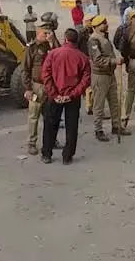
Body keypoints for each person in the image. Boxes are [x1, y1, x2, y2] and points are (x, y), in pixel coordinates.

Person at [40, 29, 91, 165]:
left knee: (50, 124)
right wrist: (72, 95)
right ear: (77, 40)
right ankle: (67, 156)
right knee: (71, 126)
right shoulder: (82, 58)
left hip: (55, 96)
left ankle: (47, 154)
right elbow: (85, 80)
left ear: (65, 39)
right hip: (72, 98)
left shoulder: (53, 54)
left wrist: (54, 94)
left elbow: (45, 74)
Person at [88, 15, 130, 141]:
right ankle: (98, 129)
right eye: (103, 23)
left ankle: (116, 126)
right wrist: (114, 61)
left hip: (110, 74)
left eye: (105, 22)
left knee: (114, 102)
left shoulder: (104, 38)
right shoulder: (94, 40)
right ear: (96, 26)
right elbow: (98, 59)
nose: (106, 25)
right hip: (100, 76)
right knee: (99, 105)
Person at [22, 25, 62, 155]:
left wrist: (51, 42)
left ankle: (51, 140)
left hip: (51, 86)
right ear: (39, 33)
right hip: (37, 86)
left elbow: (60, 56)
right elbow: (25, 69)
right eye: (45, 33)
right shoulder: (32, 48)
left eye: (49, 33)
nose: (48, 35)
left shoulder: (52, 45)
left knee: (51, 116)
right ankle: (32, 143)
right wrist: (28, 88)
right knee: (34, 116)